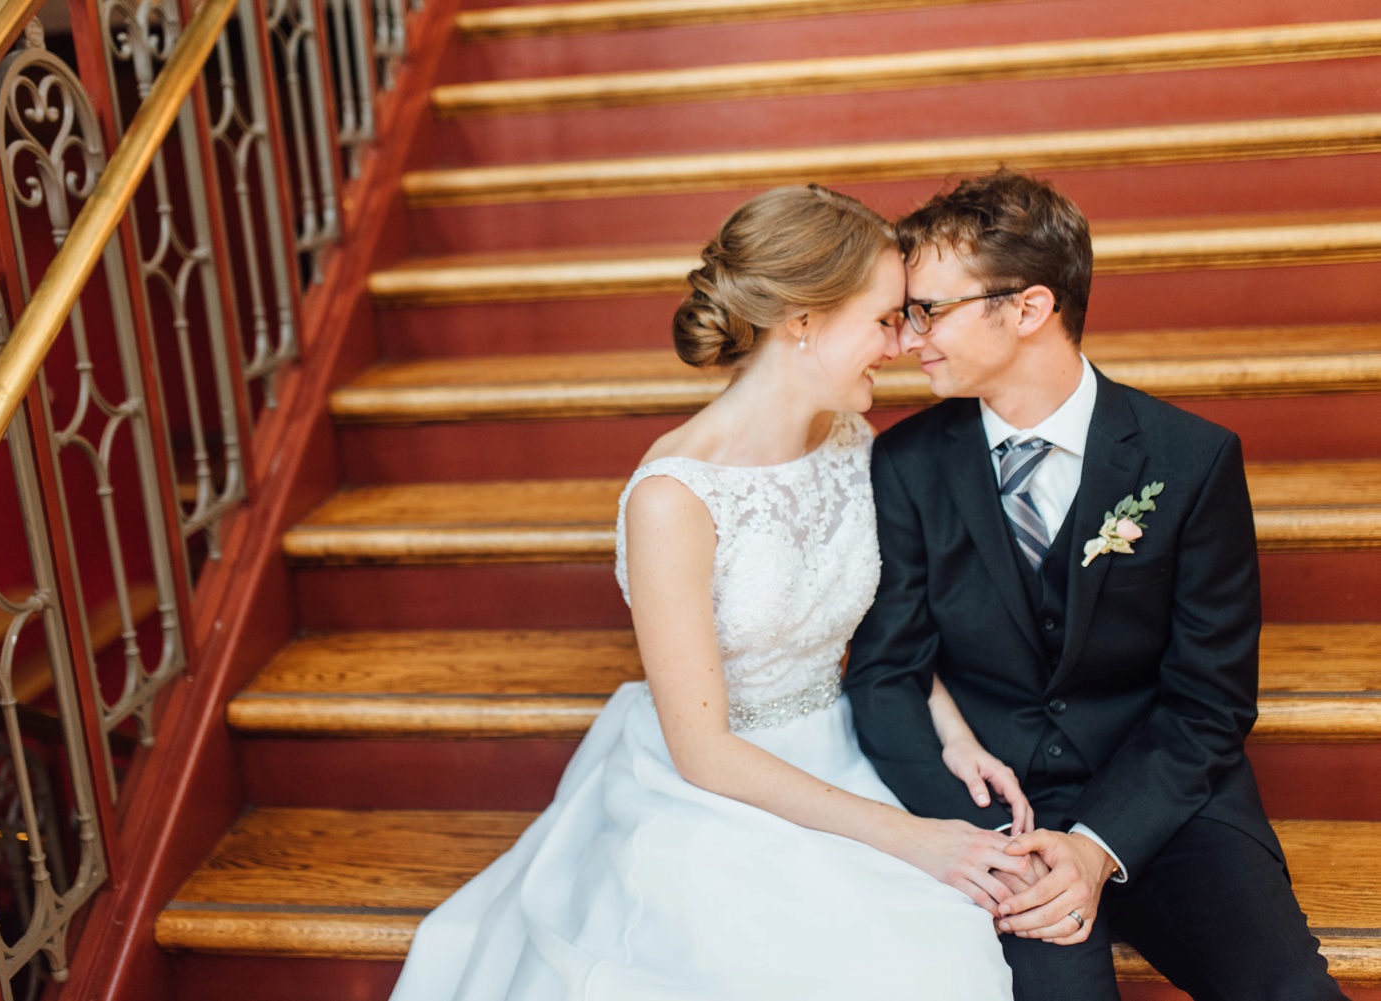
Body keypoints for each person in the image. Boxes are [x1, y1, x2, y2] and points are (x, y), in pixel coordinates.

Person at [390, 185, 1029, 1000]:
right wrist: (913, 839)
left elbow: (878, 625)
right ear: (802, 320)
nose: (904, 343)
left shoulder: (847, 435)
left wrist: (953, 730)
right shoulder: (674, 497)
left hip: (854, 738)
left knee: (952, 940)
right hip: (719, 787)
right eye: (885, 319)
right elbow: (706, 752)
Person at [844, 169, 1345, 1000]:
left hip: (1161, 798)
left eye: (930, 309)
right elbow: (887, 672)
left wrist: (1097, 842)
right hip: (995, 816)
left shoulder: (1191, 458)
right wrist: (980, 842)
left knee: (1289, 990)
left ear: (1031, 308)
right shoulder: (905, 463)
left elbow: (1210, 700)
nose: (908, 336)